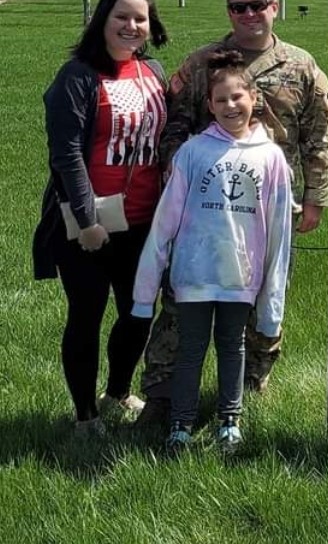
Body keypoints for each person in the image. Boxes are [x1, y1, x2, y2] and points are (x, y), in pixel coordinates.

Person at [138, 0, 328, 423]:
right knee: (181, 298)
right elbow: (175, 124)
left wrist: (317, 197)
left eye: (258, 5)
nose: (250, 14)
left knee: (264, 288)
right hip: (204, 209)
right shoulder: (204, 63)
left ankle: (249, 386)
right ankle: (163, 393)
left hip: (266, 208)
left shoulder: (301, 66)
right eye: (239, 7)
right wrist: (175, 174)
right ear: (229, 11)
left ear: (274, 7)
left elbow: (318, 136)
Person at [132, 50, 293, 452]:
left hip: (240, 277)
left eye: (237, 97)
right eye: (220, 100)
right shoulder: (192, 153)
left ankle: (229, 422)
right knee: (190, 350)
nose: (230, 106)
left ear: (254, 98)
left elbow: (278, 231)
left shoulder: (271, 158)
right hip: (194, 277)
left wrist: (272, 303)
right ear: (209, 106)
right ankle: (180, 426)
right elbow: (164, 224)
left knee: (232, 347)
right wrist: (144, 293)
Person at [32, 0, 168, 436]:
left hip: (145, 220)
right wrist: (87, 220)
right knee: (86, 314)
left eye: (140, 19)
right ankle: (85, 416)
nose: (132, 26)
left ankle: (118, 391)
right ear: (103, 22)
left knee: (137, 311)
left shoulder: (153, 71)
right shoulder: (77, 75)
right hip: (88, 224)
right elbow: (66, 153)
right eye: (121, 18)